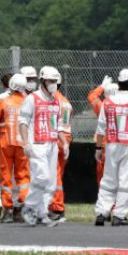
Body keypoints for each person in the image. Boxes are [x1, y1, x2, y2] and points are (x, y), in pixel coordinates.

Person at [94, 68, 128, 226]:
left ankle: (102, 212)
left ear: (118, 83)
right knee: (126, 180)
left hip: (111, 145)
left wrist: (98, 148)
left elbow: (100, 128)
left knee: (108, 179)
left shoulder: (108, 102)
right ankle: (119, 214)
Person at [19, 66, 63, 227]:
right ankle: (29, 207)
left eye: (55, 82)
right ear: (43, 81)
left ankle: (42, 213)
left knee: (50, 182)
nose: (53, 84)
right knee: (42, 176)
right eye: (51, 81)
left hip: (52, 144)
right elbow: (22, 122)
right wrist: (25, 143)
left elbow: (57, 125)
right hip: (36, 144)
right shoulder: (33, 98)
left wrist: (64, 142)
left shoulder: (56, 99)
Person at [0, 73, 30, 223]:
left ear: (11, 85)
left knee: (6, 176)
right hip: (23, 144)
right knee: (23, 177)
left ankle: (8, 210)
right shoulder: (29, 102)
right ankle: (22, 205)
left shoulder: (3, 101)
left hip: (6, 143)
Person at [48, 73, 74, 222]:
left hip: (56, 137)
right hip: (66, 137)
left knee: (54, 174)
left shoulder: (52, 100)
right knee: (58, 173)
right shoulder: (66, 101)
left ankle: (57, 208)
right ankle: (56, 206)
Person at [88, 76, 118, 187]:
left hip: (105, 144)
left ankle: (106, 199)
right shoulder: (126, 105)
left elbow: (92, 97)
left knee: (103, 175)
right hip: (121, 144)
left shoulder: (102, 106)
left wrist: (101, 87)